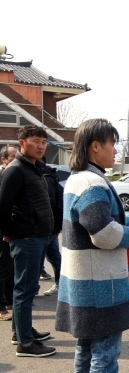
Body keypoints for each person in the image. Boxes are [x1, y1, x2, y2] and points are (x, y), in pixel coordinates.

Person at [55, 118, 129, 372]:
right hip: (100, 285)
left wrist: (127, 220)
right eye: (112, 144)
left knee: (86, 349)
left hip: (85, 280)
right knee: (105, 355)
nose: (115, 150)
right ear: (95, 146)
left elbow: (88, 222)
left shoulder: (79, 178)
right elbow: (103, 233)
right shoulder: (91, 183)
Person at [0, 126, 56, 357]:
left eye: (44, 141)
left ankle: (21, 332)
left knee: (26, 287)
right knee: (25, 289)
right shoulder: (15, 170)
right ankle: (25, 343)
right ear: (23, 143)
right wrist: (7, 232)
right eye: (36, 141)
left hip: (38, 236)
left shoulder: (34, 169)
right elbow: (2, 204)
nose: (41, 146)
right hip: (26, 237)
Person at [39, 158, 63, 296]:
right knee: (53, 256)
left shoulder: (45, 178)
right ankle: (61, 284)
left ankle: (32, 288)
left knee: (39, 258)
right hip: (52, 226)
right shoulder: (50, 175)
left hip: (46, 226)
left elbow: (48, 204)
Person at [0, 144, 18, 322]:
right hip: (4, 232)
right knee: (3, 269)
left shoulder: (15, 176)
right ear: (3, 160)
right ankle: (1, 308)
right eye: (12, 156)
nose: (16, 159)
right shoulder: (3, 177)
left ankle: (10, 299)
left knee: (11, 268)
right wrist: (4, 231)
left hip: (15, 231)